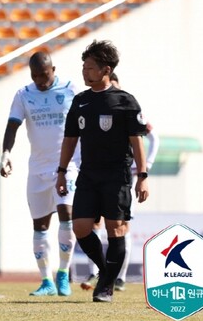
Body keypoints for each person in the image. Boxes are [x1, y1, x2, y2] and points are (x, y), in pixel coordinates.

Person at [56, 40, 149, 303]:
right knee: (81, 227)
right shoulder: (81, 101)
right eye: (84, 67)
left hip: (116, 175)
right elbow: (70, 139)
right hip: (88, 174)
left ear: (106, 70)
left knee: (115, 229)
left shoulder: (125, 101)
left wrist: (142, 177)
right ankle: (107, 272)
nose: (85, 72)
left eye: (90, 68)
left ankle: (105, 286)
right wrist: (61, 172)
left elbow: (137, 141)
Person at [0, 51, 81, 297]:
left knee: (66, 215)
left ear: (53, 70)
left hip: (66, 167)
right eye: (35, 76)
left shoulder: (69, 90)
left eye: (44, 75)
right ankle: (46, 281)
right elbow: (13, 125)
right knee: (40, 225)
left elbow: (82, 125)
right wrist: (6, 153)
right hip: (37, 168)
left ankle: (63, 275)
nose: (40, 80)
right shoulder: (24, 94)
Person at [80, 72, 159, 292]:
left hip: (122, 175)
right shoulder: (92, 105)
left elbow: (152, 137)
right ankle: (96, 272)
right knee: (92, 225)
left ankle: (120, 277)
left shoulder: (126, 107)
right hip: (94, 174)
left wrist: (145, 167)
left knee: (120, 226)